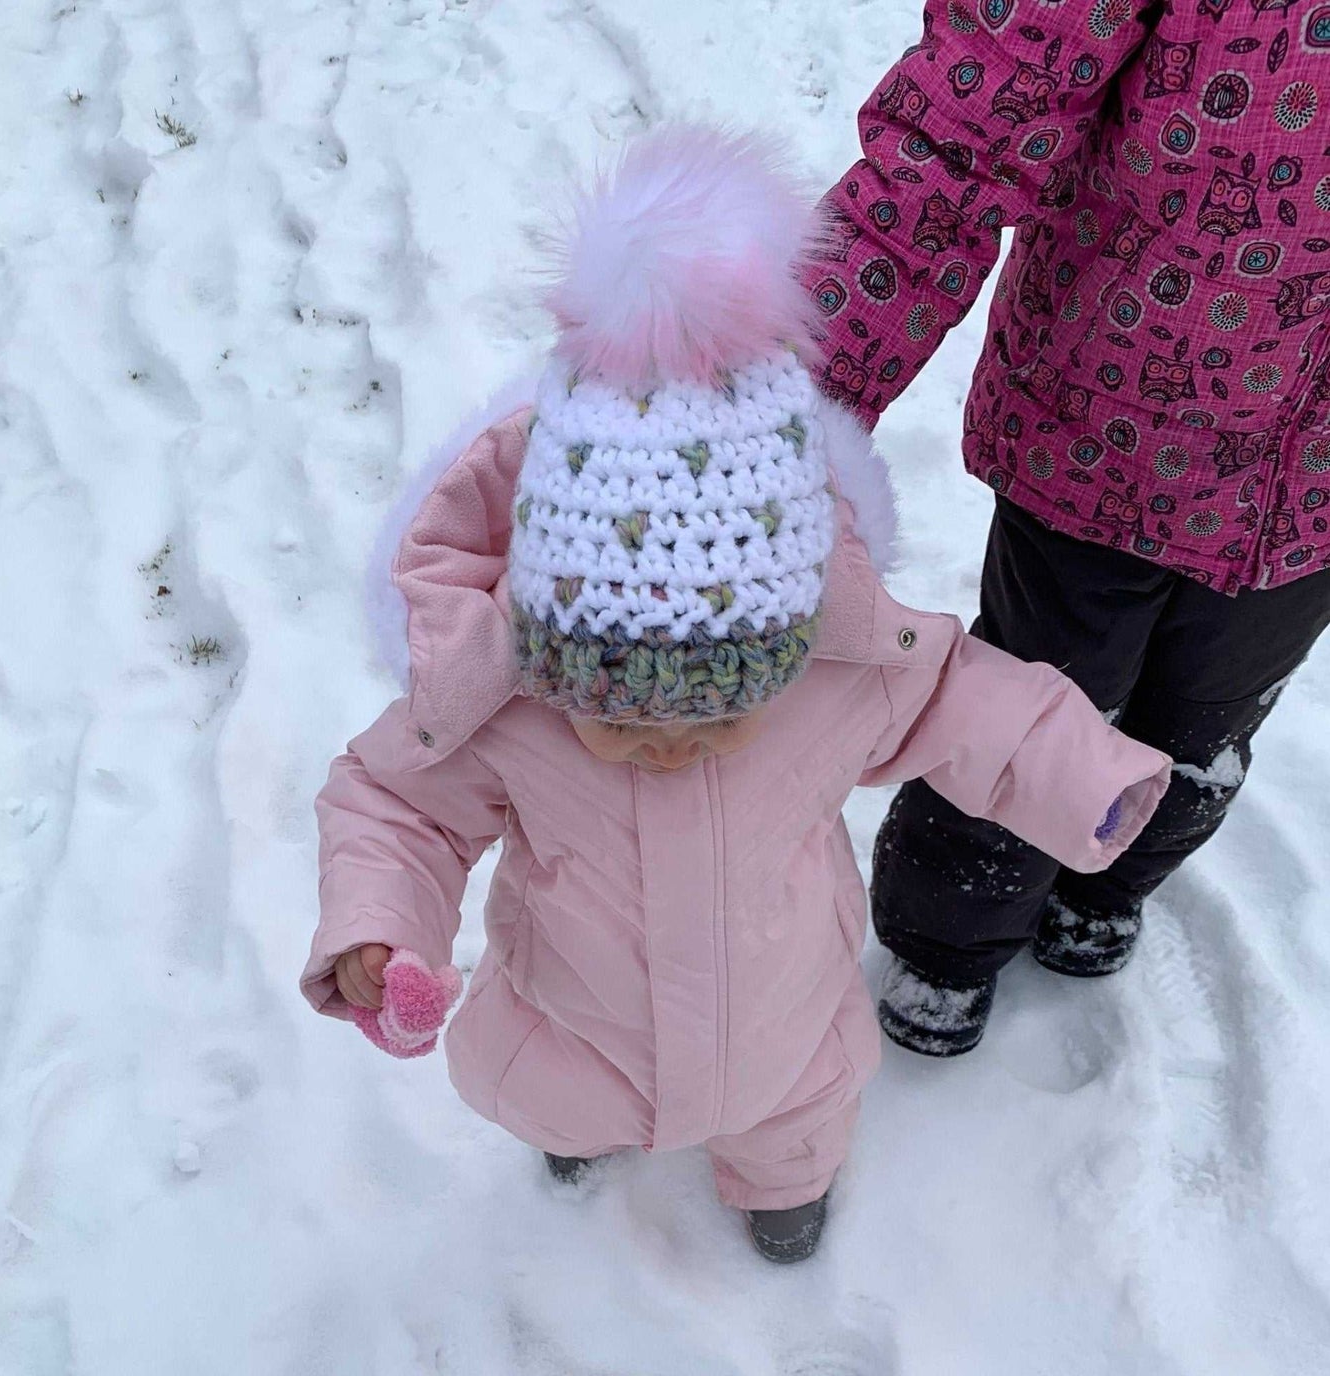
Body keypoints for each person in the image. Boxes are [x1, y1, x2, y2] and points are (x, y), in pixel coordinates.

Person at [302, 129, 1171, 1261]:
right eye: (615, 715)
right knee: (566, 1101)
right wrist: (380, 928)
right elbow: (393, 803)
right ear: (543, 654)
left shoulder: (827, 676)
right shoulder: (502, 706)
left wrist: (1082, 774)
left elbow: (959, 698)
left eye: (715, 712)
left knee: (794, 1123)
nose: (665, 745)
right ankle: (577, 1145)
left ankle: (782, 1198)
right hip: (577, 1024)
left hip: (782, 1025)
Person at [799, 0, 1330, 1055]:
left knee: (1206, 721)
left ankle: (1113, 874)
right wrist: (785, 404)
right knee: (1033, 705)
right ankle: (946, 936)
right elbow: (961, 128)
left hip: (1309, 502)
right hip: (1103, 436)